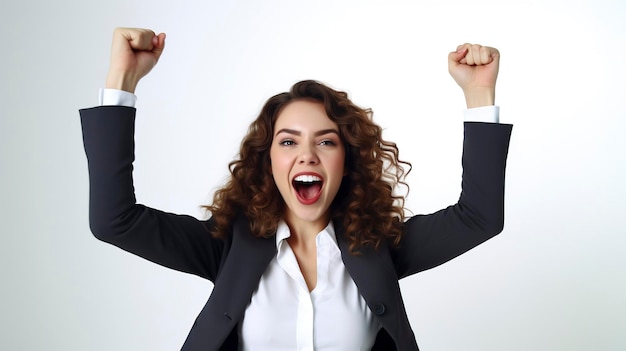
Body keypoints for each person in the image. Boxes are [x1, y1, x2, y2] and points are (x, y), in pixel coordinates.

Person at [80, 27, 512, 351]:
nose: (307, 155)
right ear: (269, 161)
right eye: (288, 141)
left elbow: (478, 218)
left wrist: (479, 95)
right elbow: (114, 221)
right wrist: (123, 81)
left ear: (348, 160)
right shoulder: (228, 245)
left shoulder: (378, 246)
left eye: (326, 141)